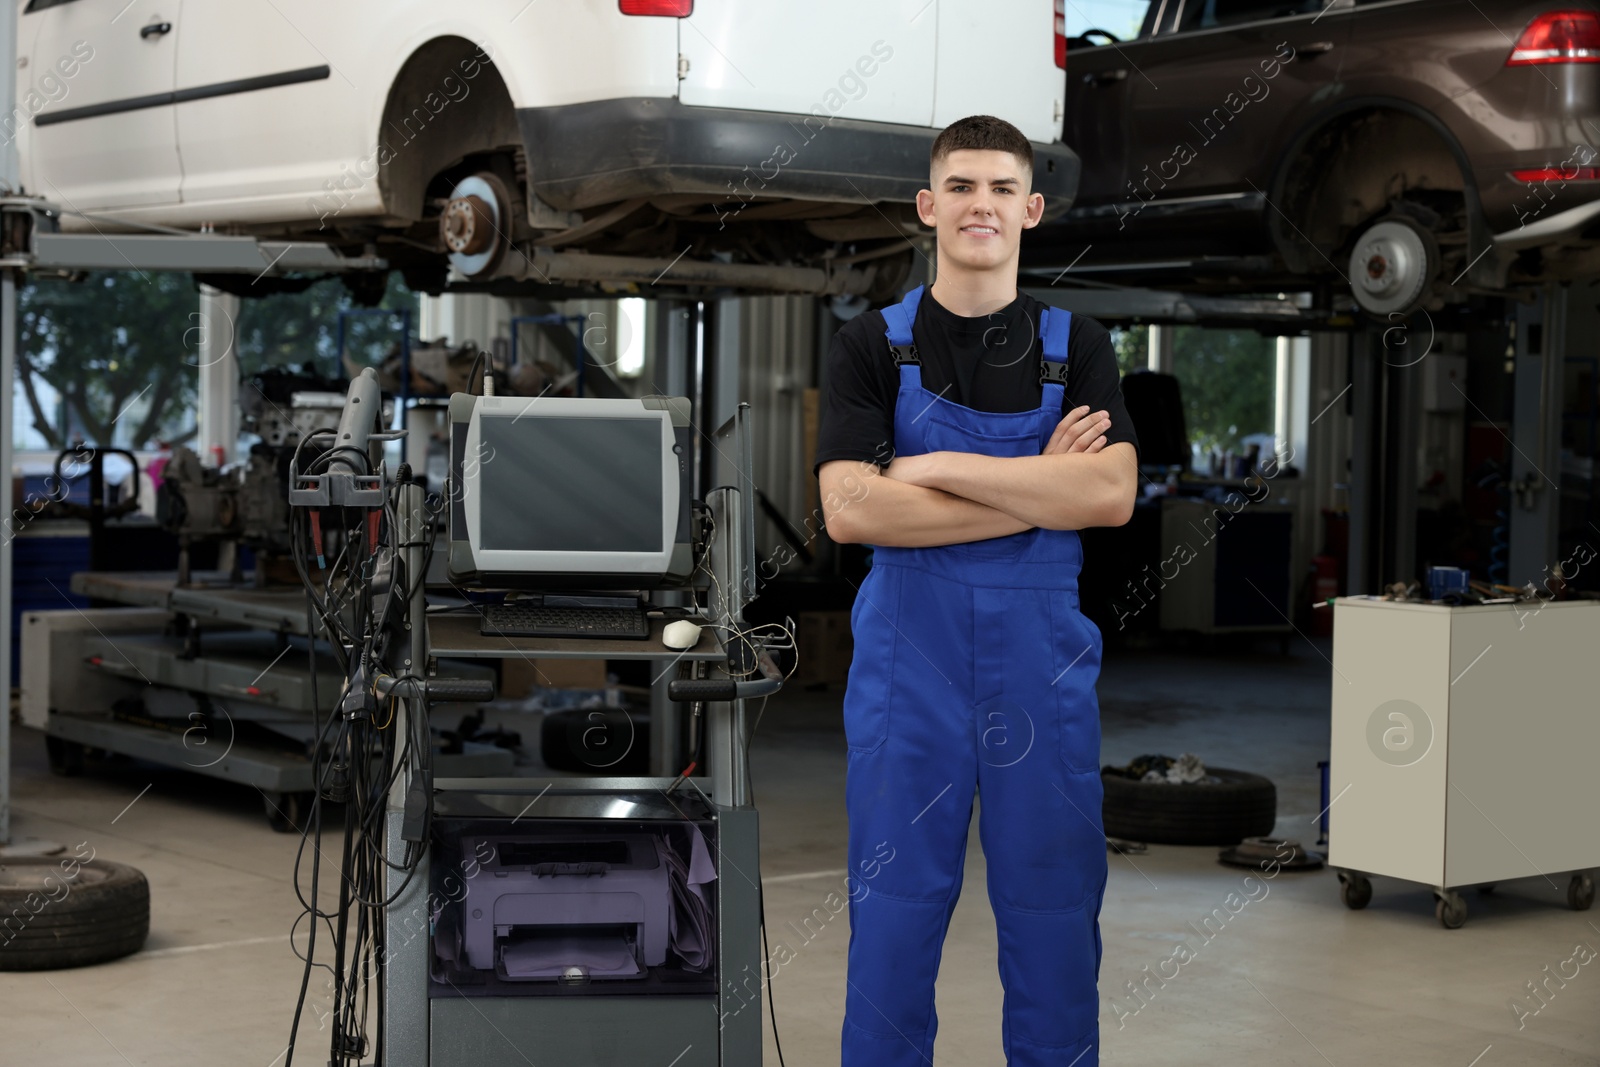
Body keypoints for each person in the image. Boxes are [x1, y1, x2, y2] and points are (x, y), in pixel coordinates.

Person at [813, 114, 1140, 1066]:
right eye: (960, 186)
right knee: (894, 910)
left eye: (1001, 188)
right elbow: (849, 512)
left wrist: (932, 468)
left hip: (1041, 668)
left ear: (1031, 209)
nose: (980, 205)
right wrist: (1041, 492)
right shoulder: (869, 346)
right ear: (929, 205)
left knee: (1053, 906)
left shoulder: (1076, 346)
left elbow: (1111, 493)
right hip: (907, 665)